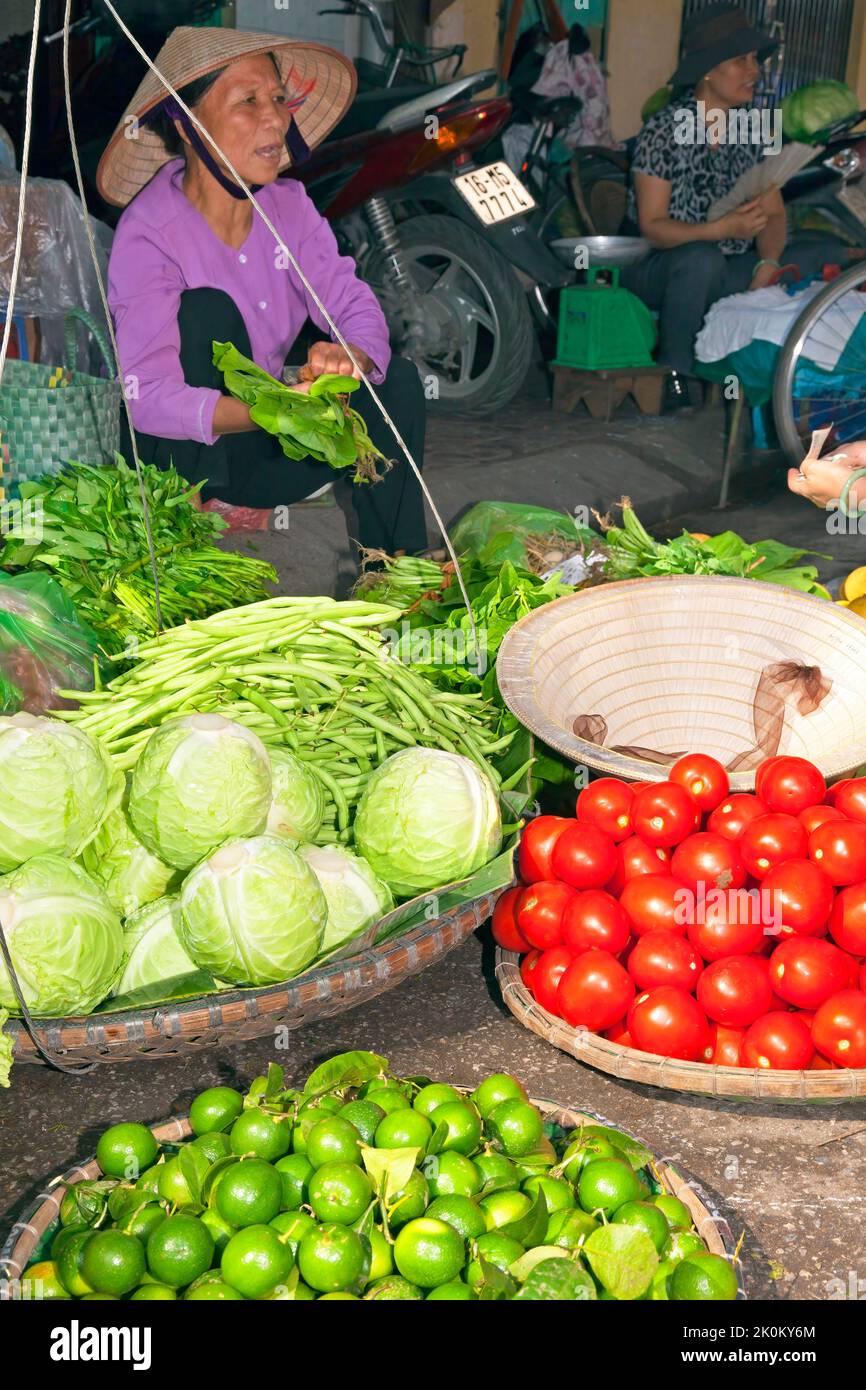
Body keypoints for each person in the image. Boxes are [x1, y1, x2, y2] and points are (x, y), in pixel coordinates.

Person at [97, 26, 427, 555]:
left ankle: (396, 569)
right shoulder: (150, 232)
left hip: (271, 447)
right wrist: (267, 411)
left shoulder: (290, 208)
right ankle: (185, 537)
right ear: (187, 124)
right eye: (247, 102)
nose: (275, 117)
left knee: (399, 383)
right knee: (206, 311)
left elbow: (352, 303)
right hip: (189, 457)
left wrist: (349, 356)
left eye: (277, 98)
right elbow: (146, 399)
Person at [622, 3, 849, 386]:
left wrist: (767, 262)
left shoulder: (751, 129)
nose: (754, 70)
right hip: (656, 266)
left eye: (754, 60)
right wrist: (720, 228)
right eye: (741, 60)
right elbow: (653, 227)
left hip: (725, 264)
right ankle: (675, 373)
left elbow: (774, 214)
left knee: (817, 254)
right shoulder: (664, 130)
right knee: (700, 260)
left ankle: (779, 380)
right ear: (708, 71)